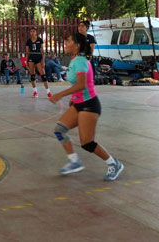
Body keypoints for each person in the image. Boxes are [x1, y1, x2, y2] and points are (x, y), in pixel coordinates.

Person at [49, 32, 124, 181]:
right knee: (60, 130)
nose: (65, 42)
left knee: (87, 143)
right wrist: (73, 98)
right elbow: (81, 84)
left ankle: (113, 163)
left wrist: (60, 95)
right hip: (79, 103)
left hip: (89, 105)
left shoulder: (81, 61)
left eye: (68, 40)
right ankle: (74, 161)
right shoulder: (75, 60)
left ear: (77, 45)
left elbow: (82, 84)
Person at [25, 27, 51, 98]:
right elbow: (27, 52)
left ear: (36, 32)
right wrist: (26, 61)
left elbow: (42, 51)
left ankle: (48, 92)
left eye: (34, 31)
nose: (32, 33)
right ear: (30, 33)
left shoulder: (39, 40)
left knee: (43, 75)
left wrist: (43, 61)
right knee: (32, 75)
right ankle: (35, 91)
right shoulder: (28, 41)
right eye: (31, 31)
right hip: (31, 58)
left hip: (38, 58)